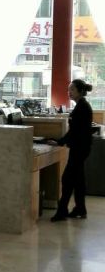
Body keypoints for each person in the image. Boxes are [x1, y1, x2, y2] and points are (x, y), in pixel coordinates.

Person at [50, 79, 94, 222]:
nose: (69, 92)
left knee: (67, 179)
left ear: (80, 91)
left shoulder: (82, 107)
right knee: (78, 180)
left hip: (79, 148)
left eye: (72, 90)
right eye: (68, 89)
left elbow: (74, 131)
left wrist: (59, 142)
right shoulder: (82, 105)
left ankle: (62, 211)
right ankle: (80, 209)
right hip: (81, 147)